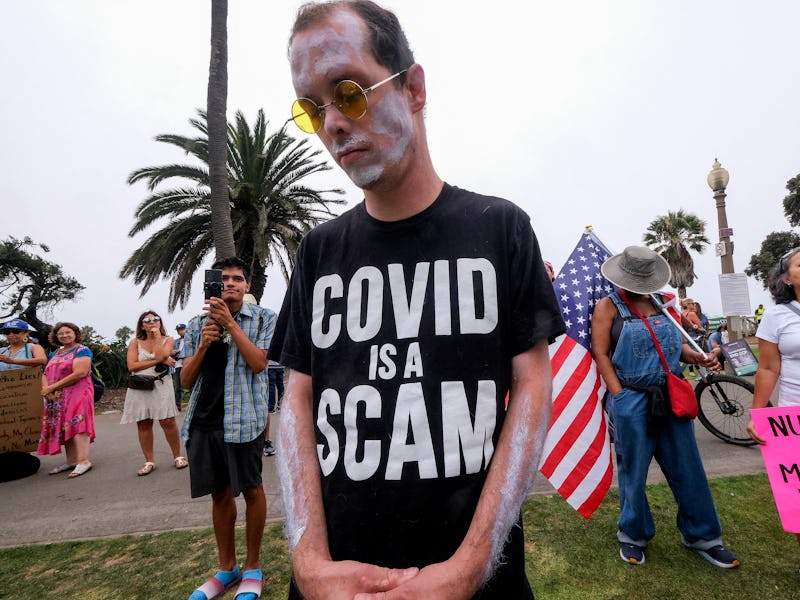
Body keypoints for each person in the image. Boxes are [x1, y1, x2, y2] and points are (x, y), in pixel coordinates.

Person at [271, 2, 565, 598]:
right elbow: (295, 396)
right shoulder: (318, 252)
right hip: (336, 583)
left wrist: (471, 565)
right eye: (311, 106)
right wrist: (308, 558)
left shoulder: (500, 228)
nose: (332, 123)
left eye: (348, 91)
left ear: (413, 88)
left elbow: (533, 384)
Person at [591, 246, 739, 569]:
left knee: (687, 466)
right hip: (632, 398)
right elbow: (600, 352)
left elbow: (677, 346)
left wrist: (699, 356)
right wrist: (619, 395)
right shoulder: (608, 307)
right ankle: (633, 534)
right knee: (634, 471)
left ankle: (702, 536)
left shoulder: (662, 304)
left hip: (670, 396)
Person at [181, 257, 276, 600]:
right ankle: (227, 568)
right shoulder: (196, 325)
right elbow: (187, 380)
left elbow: (259, 363)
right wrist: (206, 342)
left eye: (237, 279)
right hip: (204, 422)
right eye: (224, 279)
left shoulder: (264, 319)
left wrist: (230, 326)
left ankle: (252, 567)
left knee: (252, 490)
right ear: (213, 285)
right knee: (219, 495)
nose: (231, 284)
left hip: (244, 421)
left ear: (247, 286)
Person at [746, 247, 800, 575]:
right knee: (799, 505)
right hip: (792, 419)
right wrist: (757, 414)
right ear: (786, 278)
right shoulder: (777, 316)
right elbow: (767, 368)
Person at [120, 311, 187, 476]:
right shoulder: (135, 342)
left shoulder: (168, 340)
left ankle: (177, 456)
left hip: (161, 384)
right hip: (140, 385)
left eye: (155, 319)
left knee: (168, 421)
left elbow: (162, 354)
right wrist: (160, 360)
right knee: (143, 423)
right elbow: (132, 366)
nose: (152, 322)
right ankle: (149, 461)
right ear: (141, 325)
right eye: (147, 320)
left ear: (160, 322)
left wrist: (157, 339)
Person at [37, 322, 96, 478]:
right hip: (56, 397)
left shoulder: (82, 350)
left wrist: (52, 387)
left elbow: (80, 373)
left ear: (75, 333)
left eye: (68, 332)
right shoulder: (55, 352)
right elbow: (45, 373)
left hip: (78, 393)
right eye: (60, 333)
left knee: (78, 423)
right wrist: (47, 390)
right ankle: (72, 461)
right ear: (56, 337)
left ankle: (83, 461)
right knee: (65, 425)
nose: (64, 335)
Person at [173, 323, 187, 411]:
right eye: (178, 330)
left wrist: (182, 355)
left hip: (187, 364)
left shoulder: (190, 339)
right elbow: (172, 353)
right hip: (177, 366)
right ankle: (177, 405)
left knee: (191, 385)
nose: (180, 331)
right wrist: (175, 353)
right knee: (177, 386)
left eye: (182, 329)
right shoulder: (176, 341)